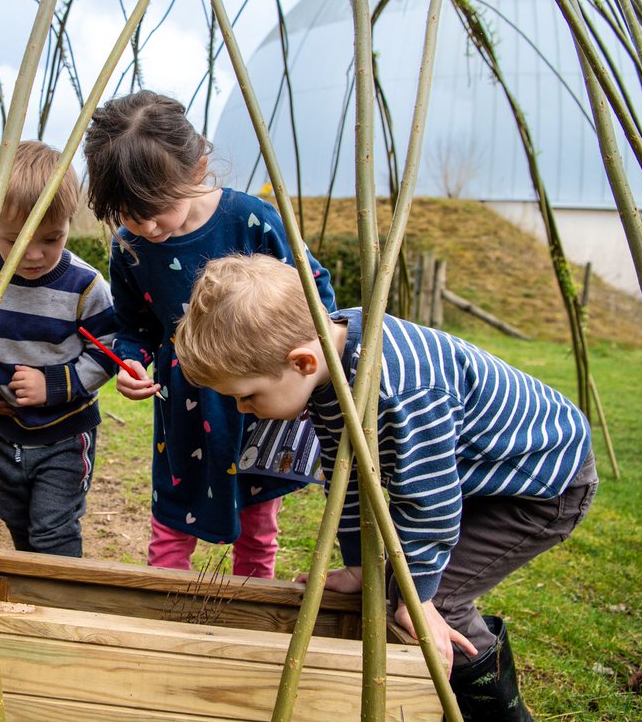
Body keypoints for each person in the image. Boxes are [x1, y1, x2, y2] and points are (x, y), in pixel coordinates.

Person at [174, 253, 598, 721]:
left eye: (247, 395)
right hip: (474, 475)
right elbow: (351, 478)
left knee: (429, 604)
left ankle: (498, 714)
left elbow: (430, 503)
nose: (242, 409)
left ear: (301, 361)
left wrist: (417, 597)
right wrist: (358, 566)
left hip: (539, 485)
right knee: (393, 586)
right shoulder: (328, 366)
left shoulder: (399, 389)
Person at [83, 90, 335, 578]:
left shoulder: (252, 220)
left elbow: (315, 292)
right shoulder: (129, 248)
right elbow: (132, 326)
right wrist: (130, 363)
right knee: (172, 520)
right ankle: (165, 615)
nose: (148, 225)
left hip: (262, 404)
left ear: (196, 170)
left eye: (157, 207)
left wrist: (305, 366)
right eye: (131, 215)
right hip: (185, 410)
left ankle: (251, 616)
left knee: (259, 524)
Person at [0, 140, 118, 558]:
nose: (34, 255)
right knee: (14, 518)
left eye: (51, 238)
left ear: (70, 221)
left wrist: (55, 385)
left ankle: (59, 604)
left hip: (64, 435)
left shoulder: (85, 286)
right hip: (4, 430)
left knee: (53, 530)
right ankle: (34, 584)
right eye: (15, 239)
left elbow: (108, 351)